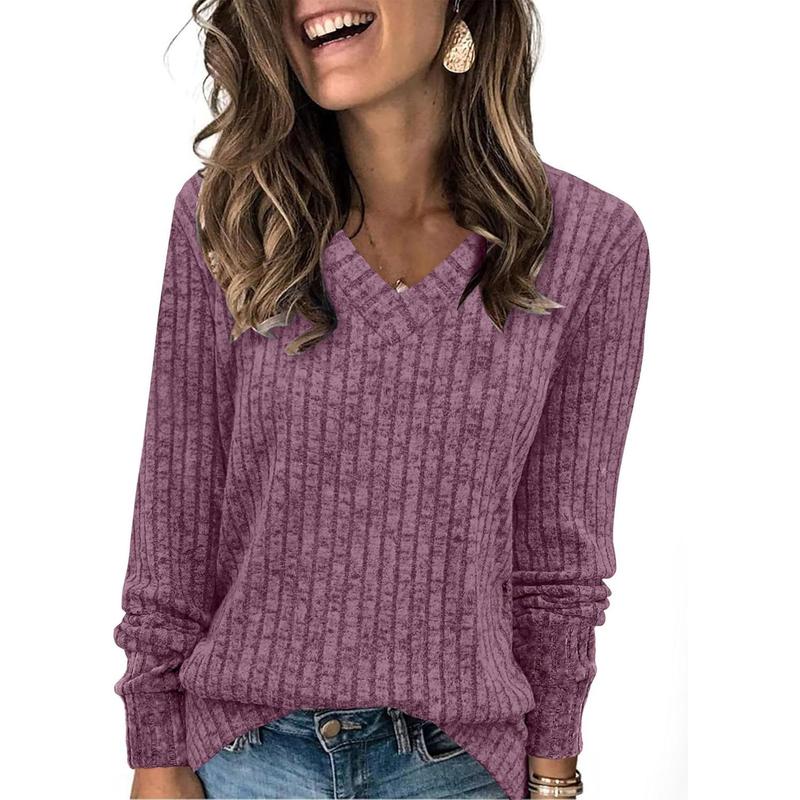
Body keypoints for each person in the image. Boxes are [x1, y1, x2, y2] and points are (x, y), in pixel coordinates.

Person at [112, 1, 651, 798]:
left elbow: (559, 558)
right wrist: (155, 755)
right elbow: (175, 512)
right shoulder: (229, 216)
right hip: (247, 761)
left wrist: (554, 777)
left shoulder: (588, 241)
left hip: (462, 768)